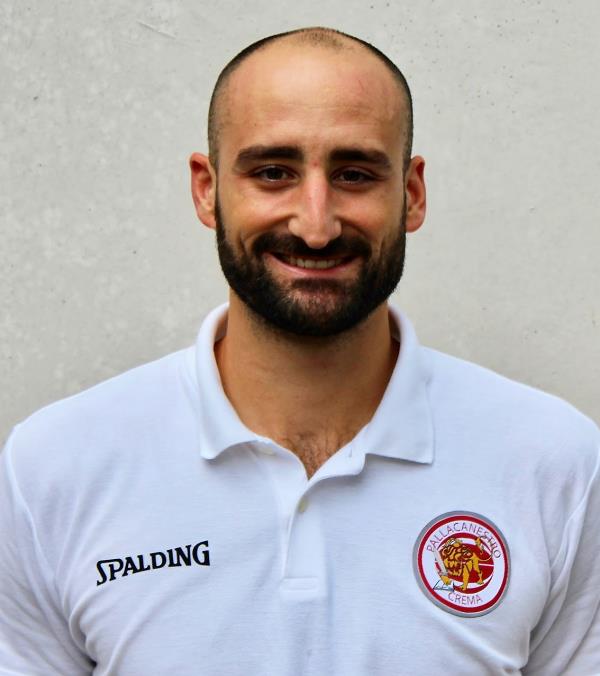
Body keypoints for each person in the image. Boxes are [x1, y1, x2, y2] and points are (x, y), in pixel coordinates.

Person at [0, 26, 598, 676]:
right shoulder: (54, 469)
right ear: (206, 189)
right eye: (273, 173)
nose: (316, 224)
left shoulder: (555, 464)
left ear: (412, 193)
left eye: (354, 174)